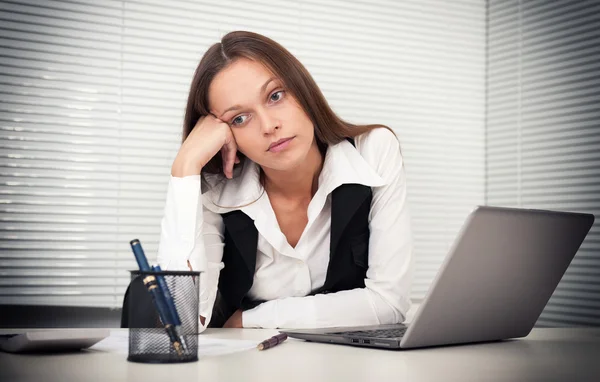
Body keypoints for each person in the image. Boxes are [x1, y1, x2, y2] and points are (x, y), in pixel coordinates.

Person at [157, 30, 413, 331]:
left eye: (275, 96)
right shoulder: (216, 190)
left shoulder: (373, 151)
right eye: (239, 118)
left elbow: (389, 302)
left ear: (302, 88)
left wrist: (251, 319)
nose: (269, 126)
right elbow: (180, 323)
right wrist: (185, 168)